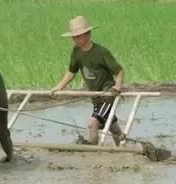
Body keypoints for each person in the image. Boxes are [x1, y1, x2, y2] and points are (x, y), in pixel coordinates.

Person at [50, 15, 126, 145]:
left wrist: (117, 86)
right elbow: (71, 71)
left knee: (93, 123)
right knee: (111, 123)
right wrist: (59, 86)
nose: (76, 40)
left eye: (79, 36)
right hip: (95, 96)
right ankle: (122, 146)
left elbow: (119, 71)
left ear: (88, 34)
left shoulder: (101, 52)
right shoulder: (76, 51)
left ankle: (93, 150)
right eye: (74, 37)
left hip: (107, 94)